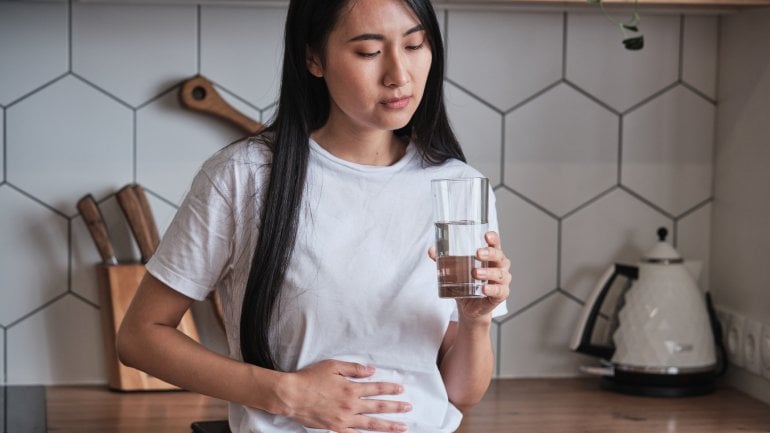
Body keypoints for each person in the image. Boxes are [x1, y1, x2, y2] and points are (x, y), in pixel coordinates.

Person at [116, 0, 511, 432]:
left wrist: (475, 321)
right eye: (369, 52)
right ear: (313, 58)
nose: (399, 74)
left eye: (415, 45)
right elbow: (141, 337)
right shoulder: (244, 176)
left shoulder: (459, 189)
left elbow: (460, 393)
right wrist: (285, 394)